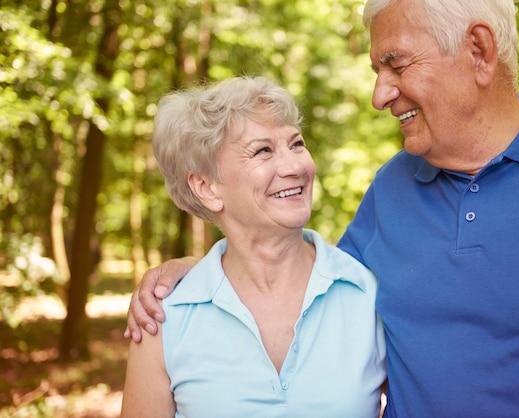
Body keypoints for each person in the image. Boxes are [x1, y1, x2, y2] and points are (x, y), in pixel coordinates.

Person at [126, 0, 519, 416]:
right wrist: (193, 274)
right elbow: (302, 280)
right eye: (377, 70)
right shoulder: (393, 188)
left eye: (396, 64)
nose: (379, 94)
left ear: (478, 50)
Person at [120, 76, 386, 418]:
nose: (295, 166)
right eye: (263, 151)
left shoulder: (367, 293)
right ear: (206, 187)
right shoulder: (164, 315)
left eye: (297, 144)